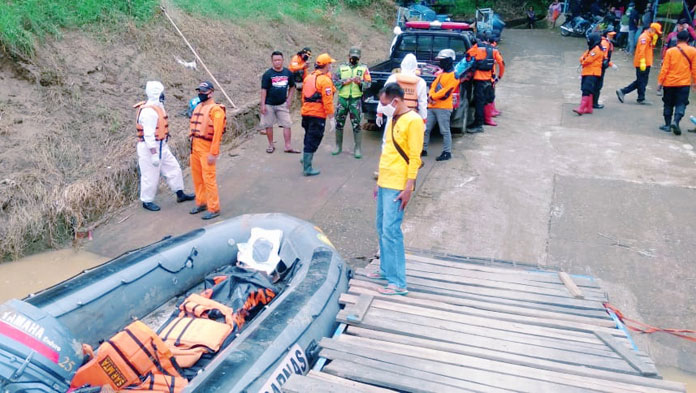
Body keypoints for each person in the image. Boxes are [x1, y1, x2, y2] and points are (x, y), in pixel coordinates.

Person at [368, 83, 424, 296]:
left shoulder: (414, 121)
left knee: (392, 231)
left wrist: (408, 187)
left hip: (398, 185)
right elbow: (388, 150)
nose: (382, 108)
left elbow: (414, 156)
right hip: (385, 181)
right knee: (381, 227)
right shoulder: (394, 118)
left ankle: (398, 282)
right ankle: (385, 270)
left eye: (384, 104)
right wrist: (379, 180)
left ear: (396, 101)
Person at [134, 81, 195, 212]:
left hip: (162, 145)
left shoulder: (158, 106)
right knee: (150, 176)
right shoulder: (148, 112)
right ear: (156, 93)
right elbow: (149, 135)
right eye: (161, 91)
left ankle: (180, 193)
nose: (163, 94)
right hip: (149, 148)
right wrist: (154, 154)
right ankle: (147, 201)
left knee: (174, 168)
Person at [189, 81, 226, 220]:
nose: (200, 94)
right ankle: (201, 202)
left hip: (206, 147)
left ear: (211, 92)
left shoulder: (216, 110)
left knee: (208, 178)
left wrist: (213, 153)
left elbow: (217, 134)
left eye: (203, 91)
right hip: (195, 145)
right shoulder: (198, 106)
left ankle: (214, 207)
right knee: (197, 177)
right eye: (199, 91)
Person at [300, 53, 336, 176]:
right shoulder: (325, 80)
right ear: (326, 65)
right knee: (314, 138)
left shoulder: (308, 77)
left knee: (308, 135)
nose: (331, 65)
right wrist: (331, 117)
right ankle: (307, 168)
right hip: (317, 114)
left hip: (306, 112)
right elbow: (328, 101)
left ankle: (303, 157)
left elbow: (303, 97)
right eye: (330, 63)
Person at [333, 47, 372, 158]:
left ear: (359, 57)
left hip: (355, 100)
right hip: (343, 99)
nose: (353, 59)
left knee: (356, 124)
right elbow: (334, 81)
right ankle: (338, 146)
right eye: (352, 57)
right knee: (339, 123)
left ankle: (357, 148)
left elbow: (368, 83)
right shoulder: (342, 67)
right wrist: (346, 81)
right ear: (348, 56)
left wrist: (360, 83)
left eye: (356, 57)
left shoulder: (363, 68)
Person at [422, 49, 459, 161]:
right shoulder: (441, 74)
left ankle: (447, 152)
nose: (440, 62)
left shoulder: (454, 75)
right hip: (432, 106)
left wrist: (432, 97)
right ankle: (423, 149)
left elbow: (446, 92)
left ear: (449, 61)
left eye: (442, 60)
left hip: (443, 107)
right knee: (425, 129)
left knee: (444, 130)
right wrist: (430, 96)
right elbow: (433, 86)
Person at [260, 50, 299, 154]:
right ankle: (271, 145)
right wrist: (263, 104)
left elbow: (292, 86)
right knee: (268, 125)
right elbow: (264, 90)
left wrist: (289, 98)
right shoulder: (267, 74)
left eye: (279, 60)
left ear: (283, 60)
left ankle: (288, 145)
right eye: (275, 60)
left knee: (287, 124)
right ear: (272, 61)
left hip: (282, 104)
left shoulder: (288, 73)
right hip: (269, 104)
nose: (277, 62)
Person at [657, 30, 696, 135]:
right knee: (681, 103)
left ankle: (667, 125)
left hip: (669, 83)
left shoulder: (670, 51)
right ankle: (676, 121)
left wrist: (660, 82)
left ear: (677, 39)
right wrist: (694, 82)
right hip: (684, 83)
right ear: (688, 39)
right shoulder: (693, 51)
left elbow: (665, 68)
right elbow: (694, 69)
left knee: (668, 104)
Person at [465, 35, 505, 133]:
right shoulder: (494, 50)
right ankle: (482, 121)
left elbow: (468, 56)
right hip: (488, 80)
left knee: (478, 103)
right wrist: (499, 76)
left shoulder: (477, 47)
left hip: (478, 79)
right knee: (485, 102)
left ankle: (478, 125)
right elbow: (501, 63)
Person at [617, 22, 662, 105]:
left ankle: (632, 94)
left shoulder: (649, 37)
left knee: (642, 81)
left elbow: (650, 48)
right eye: (656, 32)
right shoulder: (644, 37)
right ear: (653, 29)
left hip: (646, 62)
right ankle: (638, 97)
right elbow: (642, 51)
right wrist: (642, 62)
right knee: (641, 81)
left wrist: (654, 40)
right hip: (642, 63)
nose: (657, 34)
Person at [573, 33, 604, 115]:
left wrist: (583, 60)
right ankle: (589, 108)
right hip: (588, 72)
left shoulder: (596, 49)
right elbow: (583, 57)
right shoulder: (592, 49)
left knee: (586, 90)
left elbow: (588, 60)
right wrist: (583, 59)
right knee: (589, 90)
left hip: (592, 73)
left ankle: (581, 108)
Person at [594, 31, 619, 109]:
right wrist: (610, 64)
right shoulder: (605, 43)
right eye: (610, 35)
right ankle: (594, 103)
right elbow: (603, 57)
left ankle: (593, 102)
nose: (612, 37)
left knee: (597, 84)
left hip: (601, 66)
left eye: (612, 35)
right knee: (598, 85)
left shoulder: (607, 43)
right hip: (600, 67)